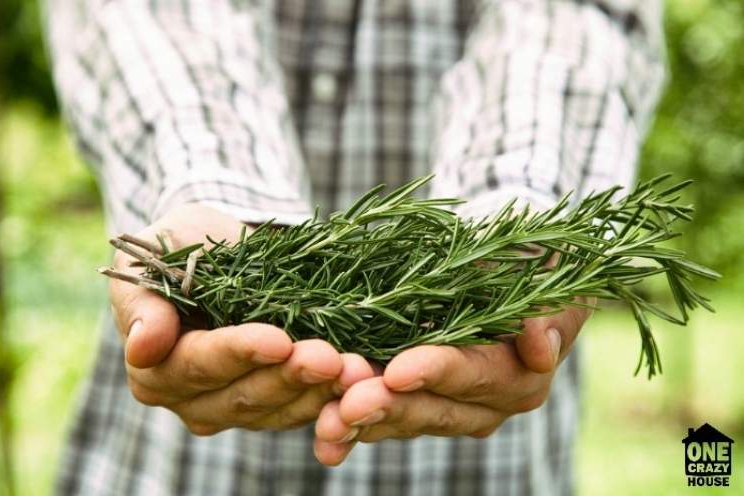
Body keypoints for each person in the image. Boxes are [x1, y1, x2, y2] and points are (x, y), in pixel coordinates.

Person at [44, 0, 665, 494]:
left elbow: (578, 15)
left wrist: (521, 203)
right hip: (172, 464)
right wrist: (211, 191)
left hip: (475, 456)